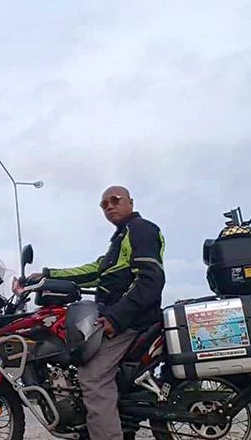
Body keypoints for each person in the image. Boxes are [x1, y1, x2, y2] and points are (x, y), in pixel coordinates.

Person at [30, 185, 165, 440]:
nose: (109, 206)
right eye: (104, 204)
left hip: (132, 321)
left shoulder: (142, 229)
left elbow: (150, 280)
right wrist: (47, 276)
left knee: (93, 377)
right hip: (121, 318)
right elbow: (94, 271)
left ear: (130, 202)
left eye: (115, 200)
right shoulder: (121, 238)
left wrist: (116, 318)